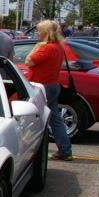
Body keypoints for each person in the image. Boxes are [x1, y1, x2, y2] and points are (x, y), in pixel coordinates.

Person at [26, 20, 72, 161]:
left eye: (39, 31)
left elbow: (29, 61)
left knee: (32, 118)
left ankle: (31, 149)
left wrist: (36, 47)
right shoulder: (58, 47)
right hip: (52, 84)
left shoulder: (46, 48)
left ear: (46, 33)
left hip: (42, 86)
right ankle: (65, 149)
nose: (37, 33)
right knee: (54, 119)